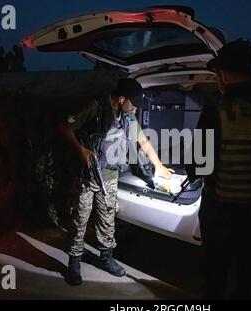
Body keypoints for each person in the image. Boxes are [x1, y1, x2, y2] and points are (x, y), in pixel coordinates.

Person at [187, 39, 251, 299]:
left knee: (214, 277)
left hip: (221, 213)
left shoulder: (216, 112)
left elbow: (198, 166)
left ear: (221, 75)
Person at [60, 78, 174, 286]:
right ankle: (74, 261)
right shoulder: (94, 107)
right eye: (134, 102)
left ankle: (106, 258)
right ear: (121, 99)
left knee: (107, 219)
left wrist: (158, 166)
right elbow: (64, 127)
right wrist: (82, 150)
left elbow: (143, 141)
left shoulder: (128, 116)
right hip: (88, 175)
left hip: (110, 176)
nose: (137, 107)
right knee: (80, 219)